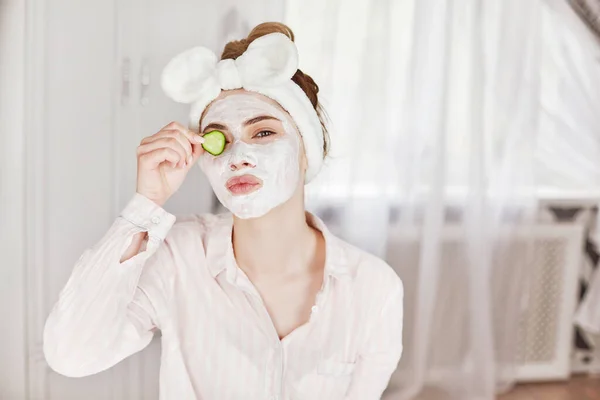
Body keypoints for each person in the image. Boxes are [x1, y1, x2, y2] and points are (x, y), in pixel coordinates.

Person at [43, 22, 403, 400]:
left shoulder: (375, 289)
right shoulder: (176, 256)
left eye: (262, 133)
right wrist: (144, 204)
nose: (237, 158)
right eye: (220, 141)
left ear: (305, 151)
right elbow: (70, 354)